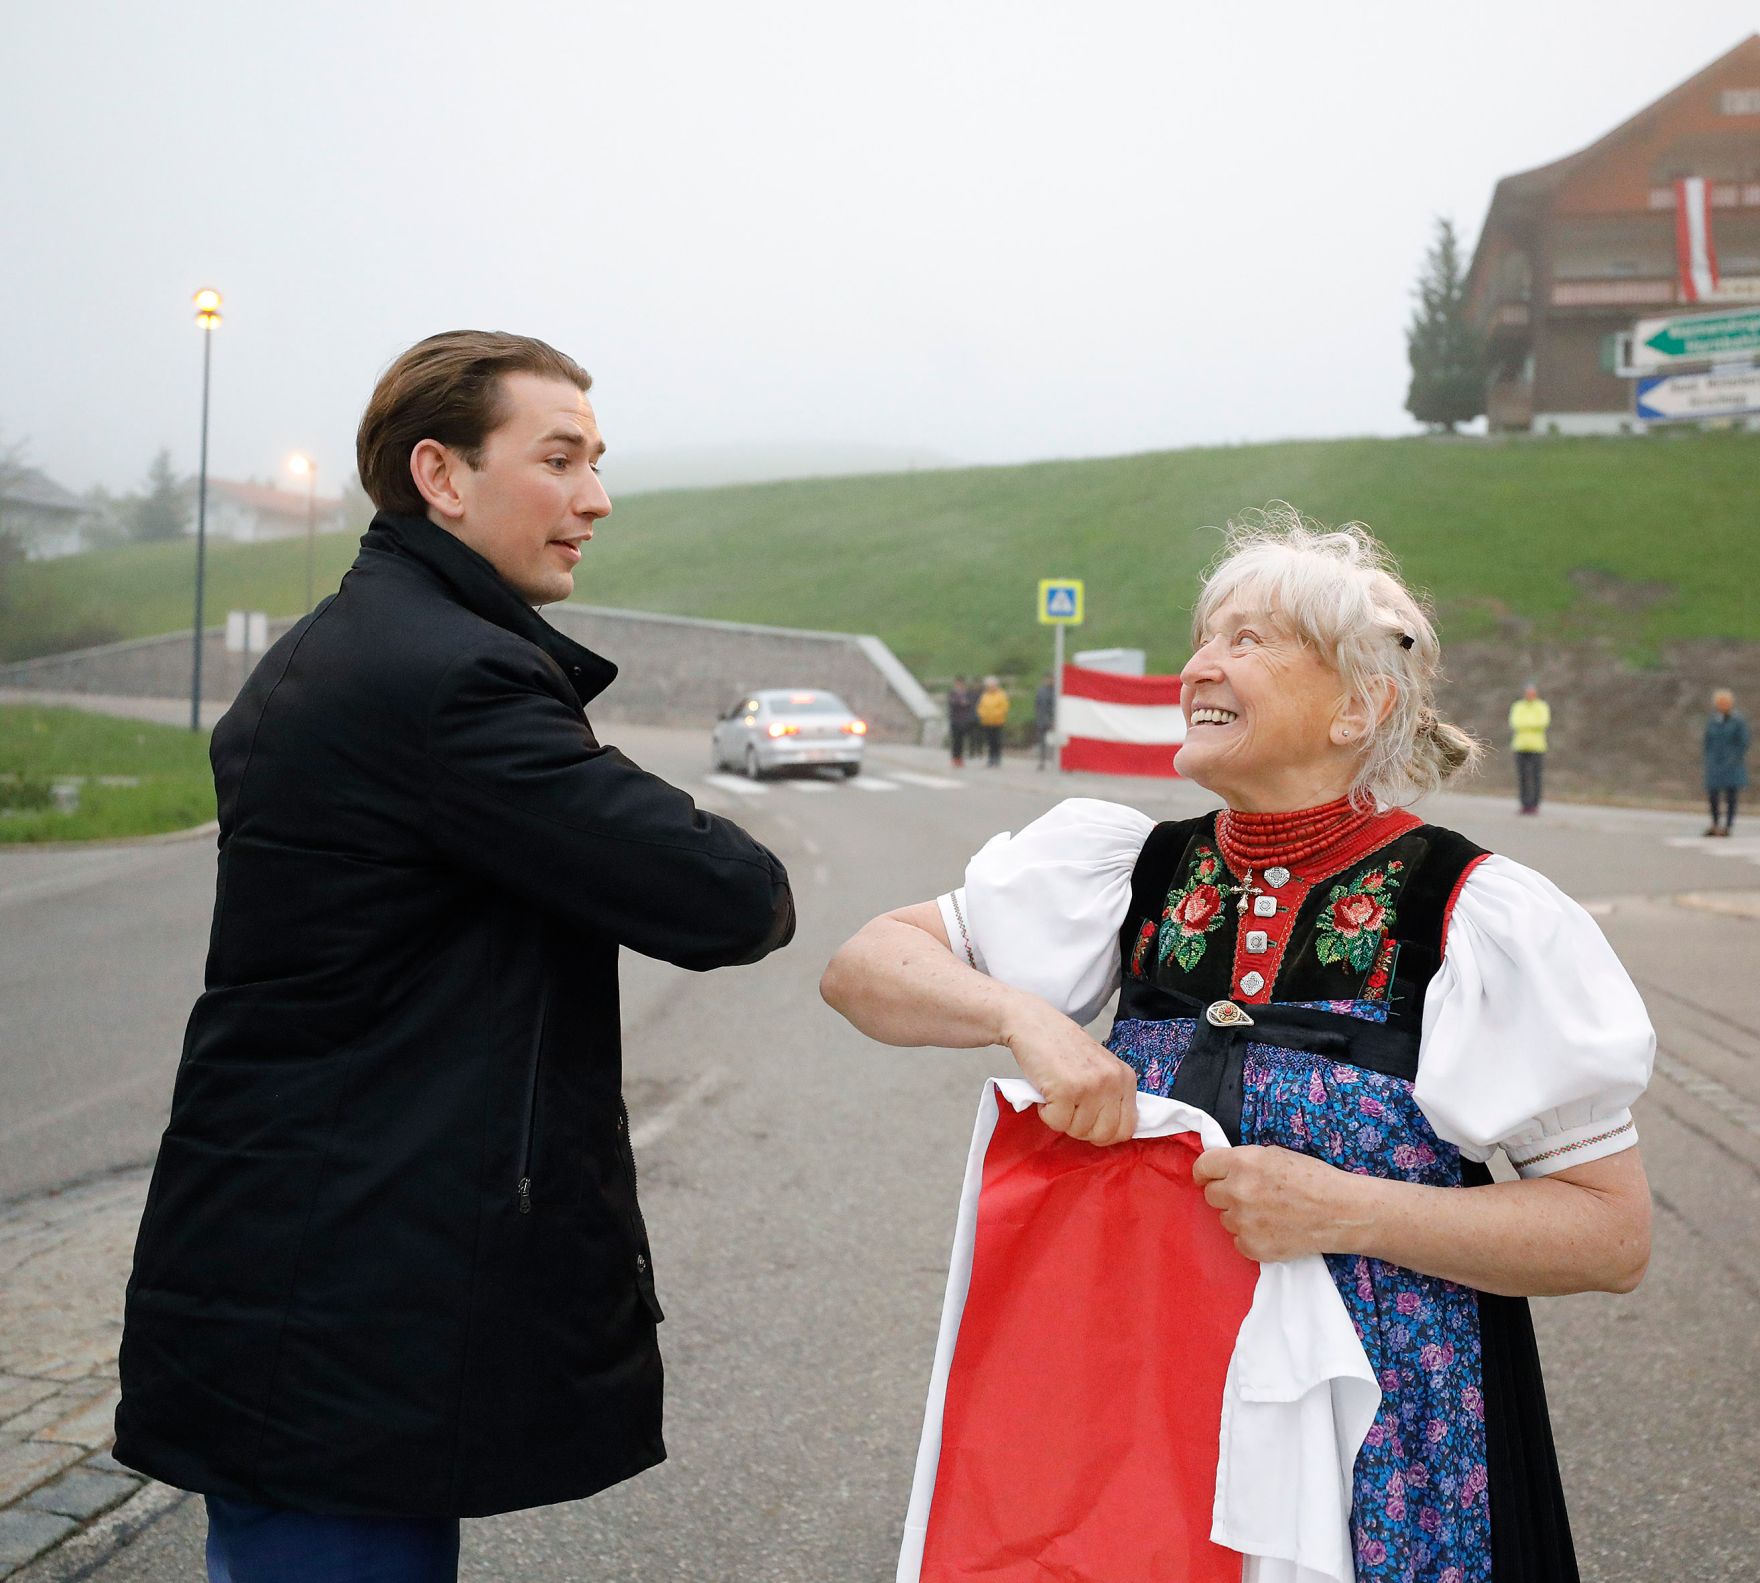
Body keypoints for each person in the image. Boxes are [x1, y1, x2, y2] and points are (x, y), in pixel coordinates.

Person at [822, 511, 1653, 1582]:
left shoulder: (1472, 913)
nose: (1198, 664)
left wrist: (1349, 1209)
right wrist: (1023, 1017)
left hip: (1391, 1436)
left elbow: (1609, 1235)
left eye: (1249, 640)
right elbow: (861, 969)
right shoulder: (1129, 870)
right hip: (1155, 1409)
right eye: (1204, 635)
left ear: (1358, 703)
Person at [114, 331, 795, 1582]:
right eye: (559, 458)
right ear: (440, 475)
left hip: (307, 1261)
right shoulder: (449, 677)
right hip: (338, 1292)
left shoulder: (362, 641)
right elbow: (727, 897)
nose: (595, 497)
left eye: (596, 461)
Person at [1703, 687, 1749, 837]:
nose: (1722, 705)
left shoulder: (1737, 721)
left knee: (1731, 796)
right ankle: (1715, 824)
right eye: (1720, 702)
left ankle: (1728, 826)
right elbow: (1707, 741)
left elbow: (1743, 742)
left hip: (1732, 765)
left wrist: (1734, 757)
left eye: (1725, 702)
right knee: (1713, 795)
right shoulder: (1713, 720)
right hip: (1715, 764)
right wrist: (1709, 758)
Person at [1508, 683, 1550, 814]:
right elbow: (1515, 722)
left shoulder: (1542, 706)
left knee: (1536, 776)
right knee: (1523, 776)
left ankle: (1535, 804)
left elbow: (1543, 723)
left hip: (1537, 747)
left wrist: (1526, 724)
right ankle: (1524, 803)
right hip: (1520, 746)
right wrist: (1531, 724)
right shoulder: (1518, 706)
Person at [976, 674, 1009, 767]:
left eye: (991, 685)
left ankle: (997, 757)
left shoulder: (1001, 695)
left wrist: (995, 714)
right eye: (988, 686)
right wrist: (982, 714)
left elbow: (1004, 708)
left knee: (997, 740)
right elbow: (980, 707)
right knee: (990, 741)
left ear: (996, 685)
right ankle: (991, 758)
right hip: (986, 722)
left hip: (998, 722)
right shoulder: (984, 696)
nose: (990, 687)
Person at [947, 675, 977, 768]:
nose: (959, 685)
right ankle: (955, 758)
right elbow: (953, 704)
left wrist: (963, 703)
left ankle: (960, 758)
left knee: (962, 740)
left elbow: (970, 704)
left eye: (961, 683)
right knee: (955, 740)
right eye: (957, 683)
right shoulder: (952, 693)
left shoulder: (967, 693)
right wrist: (961, 703)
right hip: (955, 720)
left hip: (964, 720)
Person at [1034, 671, 1056, 770]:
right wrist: (1038, 717)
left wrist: (1053, 720)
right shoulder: (1040, 691)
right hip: (1041, 720)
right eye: (1047, 678)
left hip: (1052, 721)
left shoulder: (1056, 691)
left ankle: (1056, 761)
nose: (1049, 680)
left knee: (1054, 742)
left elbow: (1055, 707)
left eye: (1051, 679)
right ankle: (1042, 761)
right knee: (1042, 742)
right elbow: (1037, 705)